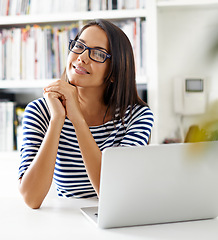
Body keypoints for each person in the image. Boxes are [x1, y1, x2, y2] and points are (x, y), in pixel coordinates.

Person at [18, 19, 154, 209]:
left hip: (118, 218)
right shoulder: (40, 111)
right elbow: (31, 198)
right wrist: (57, 119)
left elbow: (112, 193)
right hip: (67, 223)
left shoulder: (137, 117)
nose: (81, 57)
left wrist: (78, 122)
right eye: (79, 46)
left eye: (98, 53)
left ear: (115, 71)